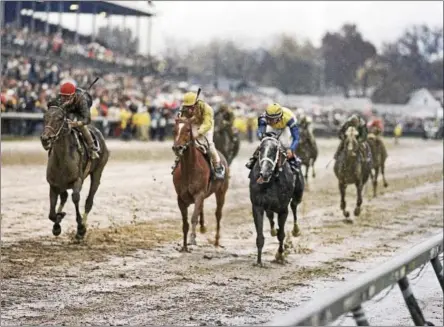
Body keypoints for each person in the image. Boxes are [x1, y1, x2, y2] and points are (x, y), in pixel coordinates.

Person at [171, 91, 225, 180]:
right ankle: (178, 162)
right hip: (193, 123)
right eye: (187, 107)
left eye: (191, 107)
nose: (188, 109)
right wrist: (181, 120)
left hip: (206, 125)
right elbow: (183, 120)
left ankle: (217, 167)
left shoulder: (207, 109)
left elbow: (207, 124)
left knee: (209, 145)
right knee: (183, 143)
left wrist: (199, 133)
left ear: (196, 102)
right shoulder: (183, 108)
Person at [245, 103, 301, 173]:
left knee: (285, 143)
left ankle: (293, 162)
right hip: (272, 127)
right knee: (266, 142)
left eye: (272, 119)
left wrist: (291, 149)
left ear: (279, 118)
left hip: (285, 127)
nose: (269, 121)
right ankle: (254, 159)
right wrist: (263, 138)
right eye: (268, 118)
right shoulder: (263, 117)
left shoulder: (289, 118)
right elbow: (260, 134)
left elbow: (296, 138)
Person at [52, 81, 100, 159]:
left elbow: (87, 119)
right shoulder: (60, 98)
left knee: (82, 127)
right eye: (63, 96)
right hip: (69, 109)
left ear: (73, 95)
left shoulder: (82, 101)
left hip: (80, 110)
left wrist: (76, 123)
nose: (64, 99)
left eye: (67, 97)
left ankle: (92, 148)